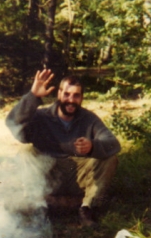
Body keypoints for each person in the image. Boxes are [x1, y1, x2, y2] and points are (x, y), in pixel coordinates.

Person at [6, 69, 121, 226]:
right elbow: (13, 124)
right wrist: (33, 96)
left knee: (109, 158)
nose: (71, 100)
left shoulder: (89, 119)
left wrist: (93, 146)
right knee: (26, 152)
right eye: (67, 94)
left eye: (76, 95)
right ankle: (38, 208)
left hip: (77, 179)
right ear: (59, 94)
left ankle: (88, 208)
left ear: (81, 98)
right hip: (48, 178)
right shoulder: (42, 116)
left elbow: (113, 144)